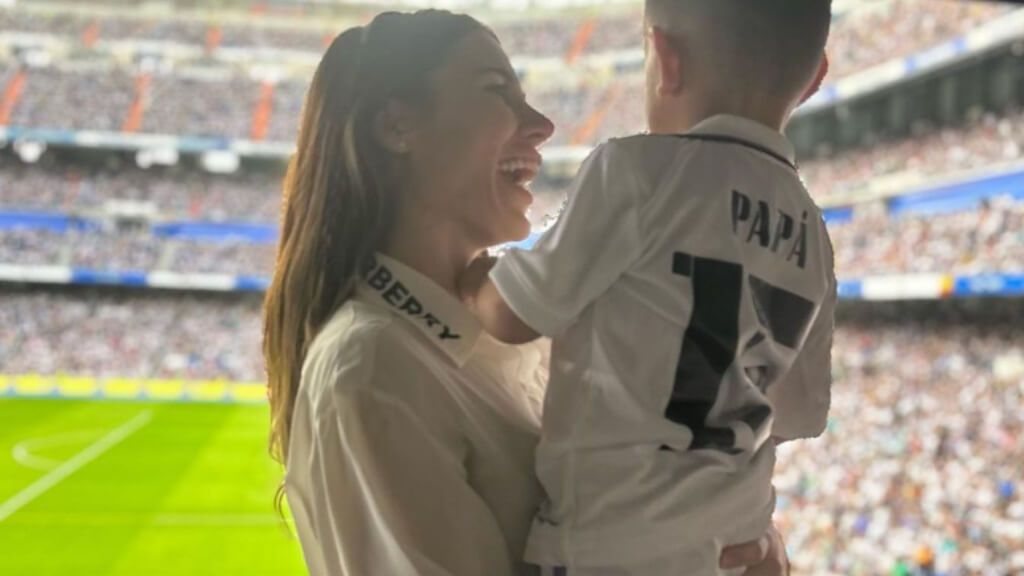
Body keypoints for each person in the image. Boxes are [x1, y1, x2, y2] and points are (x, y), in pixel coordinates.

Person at [262, 10, 792, 576]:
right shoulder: (370, 370)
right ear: (397, 128)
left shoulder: (518, 335)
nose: (541, 124)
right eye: (496, 90)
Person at [458, 1, 835, 575]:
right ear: (813, 81)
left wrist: (476, 277)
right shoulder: (814, 231)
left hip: (605, 546)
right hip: (728, 549)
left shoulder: (633, 170)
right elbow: (797, 412)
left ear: (665, 59)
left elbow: (514, 315)